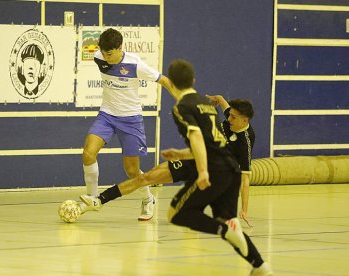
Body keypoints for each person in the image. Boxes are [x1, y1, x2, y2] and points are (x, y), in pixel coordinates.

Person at [79, 59, 272, 275]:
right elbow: (209, 141)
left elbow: (198, 137)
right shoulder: (204, 102)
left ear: (172, 82)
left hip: (210, 166)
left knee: (176, 214)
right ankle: (260, 266)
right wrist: (181, 154)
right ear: (193, 80)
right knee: (148, 178)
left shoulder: (182, 107)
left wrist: (203, 171)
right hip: (224, 167)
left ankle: (224, 230)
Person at [80, 28, 172, 221]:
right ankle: (92, 197)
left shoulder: (135, 64)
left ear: (120, 48)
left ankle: (148, 199)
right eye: (103, 53)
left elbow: (164, 80)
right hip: (107, 114)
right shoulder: (99, 58)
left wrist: (184, 97)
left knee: (131, 170)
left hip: (131, 120)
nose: (106, 57)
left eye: (110, 53)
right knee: (88, 153)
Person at [206, 95, 255, 225]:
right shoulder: (233, 115)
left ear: (244, 121)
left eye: (233, 117)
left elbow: (245, 179)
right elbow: (222, 101)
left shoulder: (245, 142)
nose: (228, 119)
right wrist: (216, 99)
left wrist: (244, 210)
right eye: (229, 115)